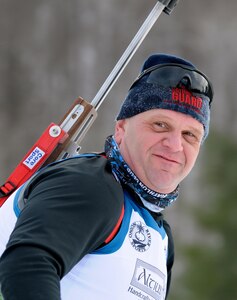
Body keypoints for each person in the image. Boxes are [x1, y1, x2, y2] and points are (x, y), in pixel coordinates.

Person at [0, 53, 213, 300]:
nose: (175, 144)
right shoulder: (91, 185)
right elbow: (26, 266)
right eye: (160, 125)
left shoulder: (160, 236)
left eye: (190, 135)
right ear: (121, 129)